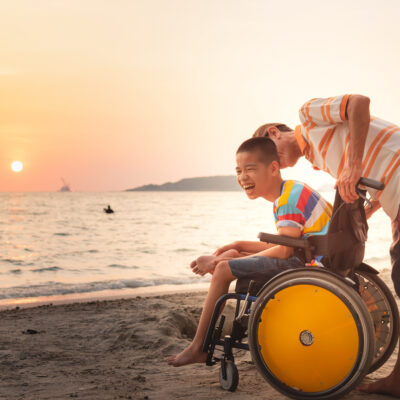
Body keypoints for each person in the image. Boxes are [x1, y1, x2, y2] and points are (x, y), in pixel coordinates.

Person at [253, 94, 400, 396]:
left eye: (271, 154)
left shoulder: (307, 117)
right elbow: (372, 173)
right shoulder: (319, 160)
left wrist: (353, 164)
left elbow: (358, 103)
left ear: (273, 133)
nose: (274, 164)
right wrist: (368, 206)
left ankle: (398, 380)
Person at [166, 137, 332, 367]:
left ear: (273, 168)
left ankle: (198, 347)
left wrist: (217, 261)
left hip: (311, 267)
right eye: (239, 171)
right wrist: (238, 246)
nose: (243, 177)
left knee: (224, 269)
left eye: (250, 169)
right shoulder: (292, 190)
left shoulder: (287, 200)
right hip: (311, 257)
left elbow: (284, 252)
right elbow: (291, 245)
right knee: (233, 256)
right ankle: (201, 341)